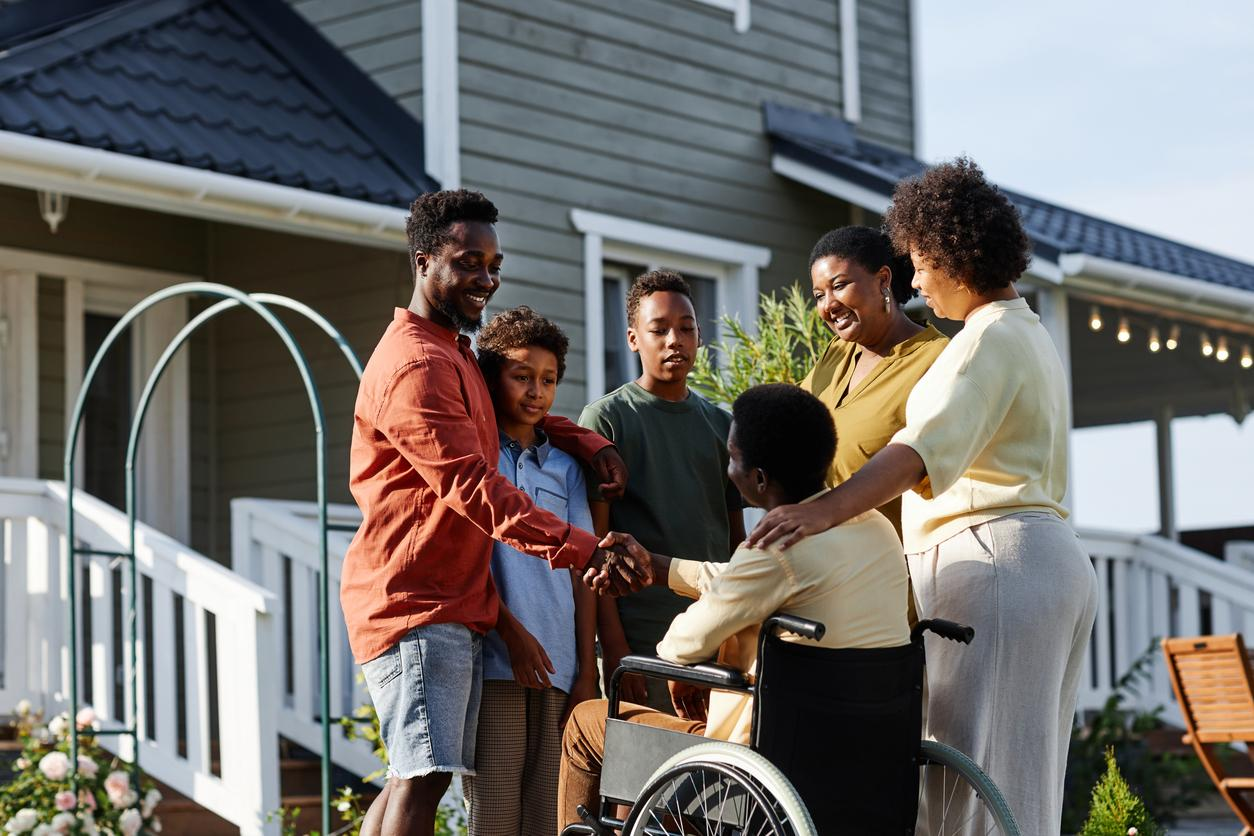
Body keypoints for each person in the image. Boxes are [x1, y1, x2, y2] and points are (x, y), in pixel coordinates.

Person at [747, 159, 1098, 835]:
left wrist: (818, 510)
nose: (914, 281)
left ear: (950, 255)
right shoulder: (1028, 332)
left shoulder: (982, 342)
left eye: (917, 263)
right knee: (1018, 792)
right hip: (1044, 564)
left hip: (993, 565)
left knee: (969, 798)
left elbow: (916, 454)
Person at [340, 189, 646, 836]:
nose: (487, 278)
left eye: (493, 263)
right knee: (423, 780)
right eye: (468, 261)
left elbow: (518, 408)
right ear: (424, 262)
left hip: (449, 603)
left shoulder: (450, 352)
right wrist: (587, 548)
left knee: (411, 775)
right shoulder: (417, 363)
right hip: (415, 601)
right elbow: (472, 487)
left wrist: (586, 439)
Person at [558, 383, 910, 830]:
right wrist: (660, 566)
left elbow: (682, 645)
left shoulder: (775, 548)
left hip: (758, 759)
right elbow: (740, 582)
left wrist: (688, 664)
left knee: (586, 723)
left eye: (732, 458)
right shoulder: (872, 527)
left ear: (759, 479)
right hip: (860, 753)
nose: (728, 470)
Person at [578, 270, 745, 714]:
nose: (675, 340)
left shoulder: (721, 425)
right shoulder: (605, 420)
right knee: (643, 776)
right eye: (659, 330)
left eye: (687, 329)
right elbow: (594, 549)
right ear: (633, 339)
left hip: (713, 634)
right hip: (641, 640)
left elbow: (735, 541)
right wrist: (615, 650)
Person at [461, 307, 599, 836]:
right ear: (493, 378)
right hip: (497, 662)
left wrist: (587, 672)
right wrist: (510, 634)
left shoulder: (566, 468)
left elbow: (582, 568)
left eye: (548, 380)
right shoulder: (477, 457)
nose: (536, 391)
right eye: (521, 376)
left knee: (548, 817)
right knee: (494, 817)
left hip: (562, 670)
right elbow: (470, 561)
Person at [802, 226, 948, 537]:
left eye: (839, 285)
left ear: (883, 279)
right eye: (818, 295)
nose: (828, 305)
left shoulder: (938, 360)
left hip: (890, 572)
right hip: (823, 569)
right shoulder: (837, 354)